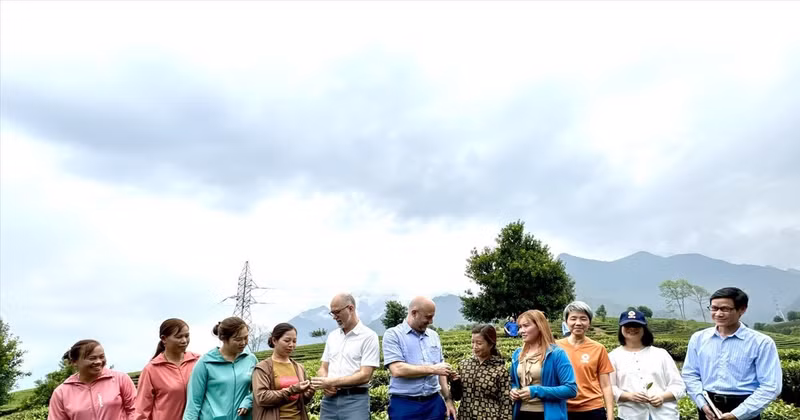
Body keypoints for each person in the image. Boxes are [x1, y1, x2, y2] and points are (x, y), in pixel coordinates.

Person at [682, 287, 782, 420]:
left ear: (742, 309)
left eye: (725, 309)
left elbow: (771, 386)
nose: (718, 314)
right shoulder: (698, 338)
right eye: (714, 308)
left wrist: (737, 414)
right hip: (708, 407)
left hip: (745, 407)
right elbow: (690, 374)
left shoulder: (761, 343)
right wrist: (702, 404)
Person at [382, 296, 457, 420]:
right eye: (428, 317)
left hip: (434, 402)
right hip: (405, 404)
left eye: (432, 316)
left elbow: (441, 372)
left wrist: (448, 400)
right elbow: (397, 369)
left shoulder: (434, 336)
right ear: (414, 313)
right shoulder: (393, 335)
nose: (431, 321)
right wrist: (433, 369)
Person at [310, 294, 380, 420]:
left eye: (337, 312)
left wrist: (331, 382)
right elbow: (323, 368)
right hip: (329, 401)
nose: (334, 317)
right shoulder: (332, 336)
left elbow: (365, 375)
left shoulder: (369, 336)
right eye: (332, 313)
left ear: (351, 308)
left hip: (355, 400)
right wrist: (325, 382)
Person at [609, 311, 685, 420]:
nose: (632, 328)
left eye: (637, 325)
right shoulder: (613, 356)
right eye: (627, 325)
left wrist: (662, 397)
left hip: (665, 415)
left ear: (644, 328)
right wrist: (629, 396)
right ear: (621, 328)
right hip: (631, 415)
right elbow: (610, 387)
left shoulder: (661, 354)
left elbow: (678, 385)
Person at [184, 317, 258, 420]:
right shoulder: (205, 362)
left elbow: (260, 390)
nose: (243, 343)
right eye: (238, 339)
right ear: (223, 339)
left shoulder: (251, 359)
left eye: (246, 338)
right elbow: (193, 403)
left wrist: (248, 400)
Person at [511, 310, 577, 420]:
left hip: (546, 415)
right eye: (520, 327)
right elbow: (513, 381)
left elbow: (570, 389)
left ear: (539, 326)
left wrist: (536, 391)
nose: (521, 331)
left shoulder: (556, 354)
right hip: (521, 413)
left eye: (526, 326)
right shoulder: (517, 354)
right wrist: (513, 390)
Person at [48, 339, 137, 420]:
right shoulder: (61, 393)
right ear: (75, 362)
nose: (99, 361)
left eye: (101, 357)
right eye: (92, 358)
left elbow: (135, 410)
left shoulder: (120, 379)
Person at [556, 302, 614, 420]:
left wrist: (611, 415)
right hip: (562, 408)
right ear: (566, 322)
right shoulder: (555, 347)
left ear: (589, 323)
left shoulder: (598, 348)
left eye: (583, 319)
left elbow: (606, 385)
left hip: (592, 409)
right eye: (573, 318)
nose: (578, 323)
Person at [135, 318, 201, 420]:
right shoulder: (151, 370)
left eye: (187, 336)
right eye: (179, 337)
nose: (184, 341)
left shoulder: (198, 361)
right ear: (164, 339)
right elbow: (142, 411)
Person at [251, 323, 316, 420]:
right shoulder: (263, 368)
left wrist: (308, 394)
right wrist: (291, 390)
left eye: (294, 341)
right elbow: (262, 398)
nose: (291, 345)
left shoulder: (299, 368)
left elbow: (300, 401)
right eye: (287, 340)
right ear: (274, 340)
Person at [449, 324, 513, 420]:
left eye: (479, 343)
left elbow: (506, 402)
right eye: (472, 342)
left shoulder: (500, 370)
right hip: (464, 416)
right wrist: (455, 383)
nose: (474, 346)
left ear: (491, 344)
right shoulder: (464, 365)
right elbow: (457, 396)